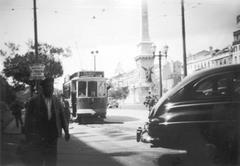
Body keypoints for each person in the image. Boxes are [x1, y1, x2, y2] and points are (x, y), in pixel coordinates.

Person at [24, 77, 70, 166]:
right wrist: (28, 135)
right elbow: (28, 119)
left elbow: (62, 116)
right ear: (43, 88)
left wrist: (66, 131)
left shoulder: (56, 100)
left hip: (53, 136)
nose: (51, 89)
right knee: (38, 160)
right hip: (39, 136)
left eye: (52, 87)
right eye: (49, 87)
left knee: (52, 160)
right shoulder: (34, 101)